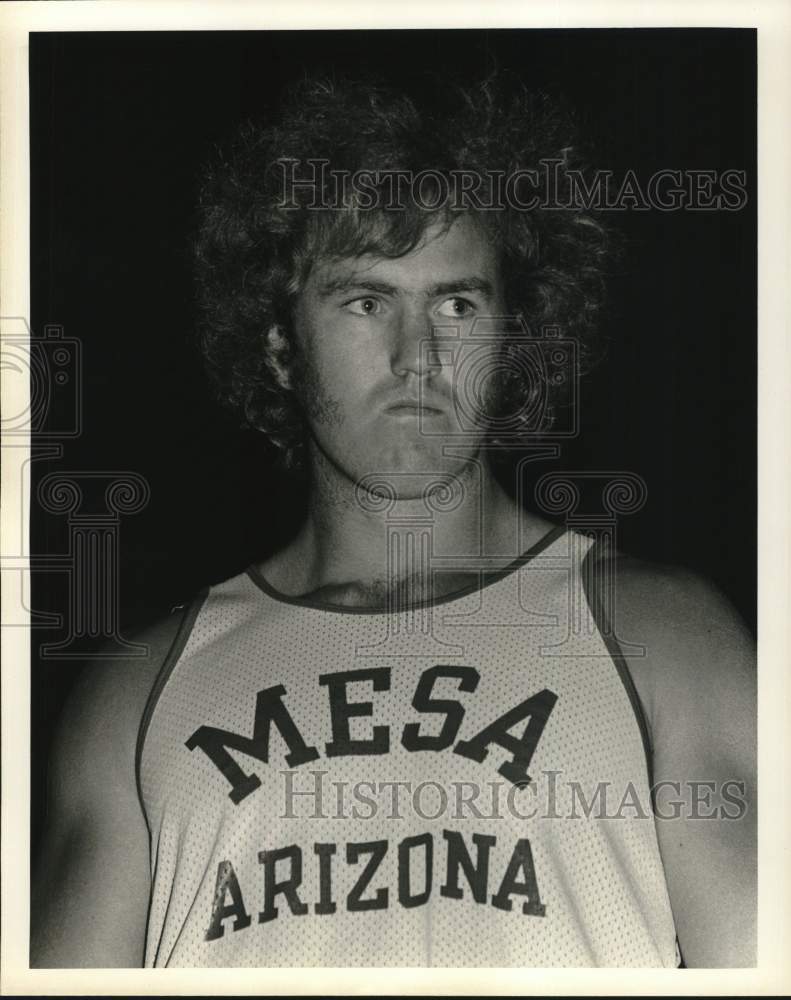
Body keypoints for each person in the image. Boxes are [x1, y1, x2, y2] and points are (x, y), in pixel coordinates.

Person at [31, 75, 756, 969]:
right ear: (280, 346)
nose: (418, 358)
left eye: (457, 305)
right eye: (366, 302)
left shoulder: (666, 638)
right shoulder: (135, 695)